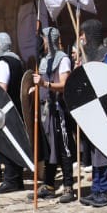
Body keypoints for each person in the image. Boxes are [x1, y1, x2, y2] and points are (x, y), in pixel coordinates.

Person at [33, 26, 78, 203]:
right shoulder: (45, 60)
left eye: (43, 39)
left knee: (64, 148)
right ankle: (49, 185)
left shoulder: (62, 59)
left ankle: (68, 187)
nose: (41, 42)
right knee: (49, 149)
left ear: (49, 40)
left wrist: (45, 84)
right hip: (46, 110)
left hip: (59, 109)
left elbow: (65, 84)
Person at [79, 18, 107, 207]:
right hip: (92, 111)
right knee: (95, 152)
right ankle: (96, 189)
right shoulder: (87, 55)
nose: (81, 38)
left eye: (83, 34)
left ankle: (105, 190)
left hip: (106, 109)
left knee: (104, 152)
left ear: (91, 35)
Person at [0, 31, 28, 194]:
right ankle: (16, 179)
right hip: (17, 107)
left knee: (8, 145)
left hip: (6, 110)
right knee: (15, 144)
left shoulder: (3, 62)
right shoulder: (18, 60)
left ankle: (11, 180)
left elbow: (0, 89)